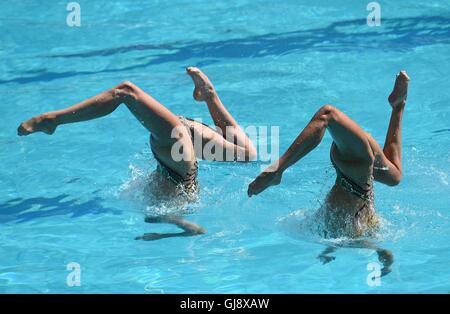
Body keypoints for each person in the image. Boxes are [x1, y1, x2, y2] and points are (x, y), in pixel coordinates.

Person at [18, 67, 256, 240]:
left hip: (180, 154)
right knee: (125, 92)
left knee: (127, 91)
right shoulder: (166, 207)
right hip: (178, 160)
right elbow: (190, 227)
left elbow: (191, 227)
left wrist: (172, 232)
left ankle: (52, 120)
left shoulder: (167, 207)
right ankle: (209, 95)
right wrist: (169, 233)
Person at [248, 71, 410, 275]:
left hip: (354, 173)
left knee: (328, 115)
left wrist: (276, 168)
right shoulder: (357, 233)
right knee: (393, 176)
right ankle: (399, 106)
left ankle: (277, 171)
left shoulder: (350, 232)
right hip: (356, 171)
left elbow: (327, 114)